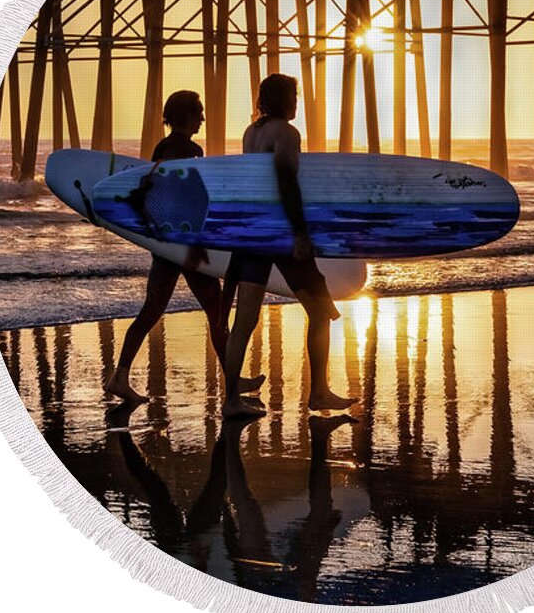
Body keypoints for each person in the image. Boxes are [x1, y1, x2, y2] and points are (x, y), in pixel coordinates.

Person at [105, 90, 264, 404]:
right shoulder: (188, 149)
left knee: (152, 311)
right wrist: (193, 244)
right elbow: (187, 197)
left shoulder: (162, 148)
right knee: (217, 313)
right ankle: (232, 383)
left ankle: (120, 376)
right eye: (198, 112)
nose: (203, 118)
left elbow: (161, 196)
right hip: (183, 243)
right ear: (185, 116)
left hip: (167, 243)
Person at [221, 73, 358, 416]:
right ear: (283, 100)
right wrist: (300, 234)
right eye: (294, 97)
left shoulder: (251, 132)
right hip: (280, 233)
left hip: (252, 232)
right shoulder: (287, 133)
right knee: (321, 310)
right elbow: (285, 181)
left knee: (246, 318)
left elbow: (257, 182)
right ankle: (319, 393)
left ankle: (231, 400)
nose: (297, 103)